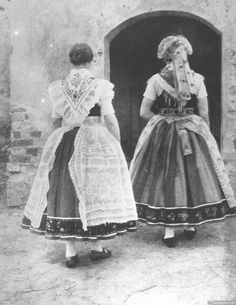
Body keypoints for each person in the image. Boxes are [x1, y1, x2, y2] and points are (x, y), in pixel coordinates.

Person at [22, 43, 137, 267]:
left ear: (71, 62)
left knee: (66, 190)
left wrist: (57, 141)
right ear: (91, 61)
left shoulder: (59, 88)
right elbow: (110, 119)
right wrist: (116, 145)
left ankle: (70, 251)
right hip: (94, 139)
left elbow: (56, 121)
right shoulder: (99, 85)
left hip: (66, 140)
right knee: (93, 191)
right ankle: (96, 247)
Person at [130, 35, 236, 247]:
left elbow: (144, 112)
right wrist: (202, 131)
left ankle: (169, 231)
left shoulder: (156, 80)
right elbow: (204, 113)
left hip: (163, 133)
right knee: (192, 174)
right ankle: (190, 225)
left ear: (166, 56)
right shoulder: (198, 79)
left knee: (166, 176)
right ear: (185, 54)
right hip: (192, 131)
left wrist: (162, 121)